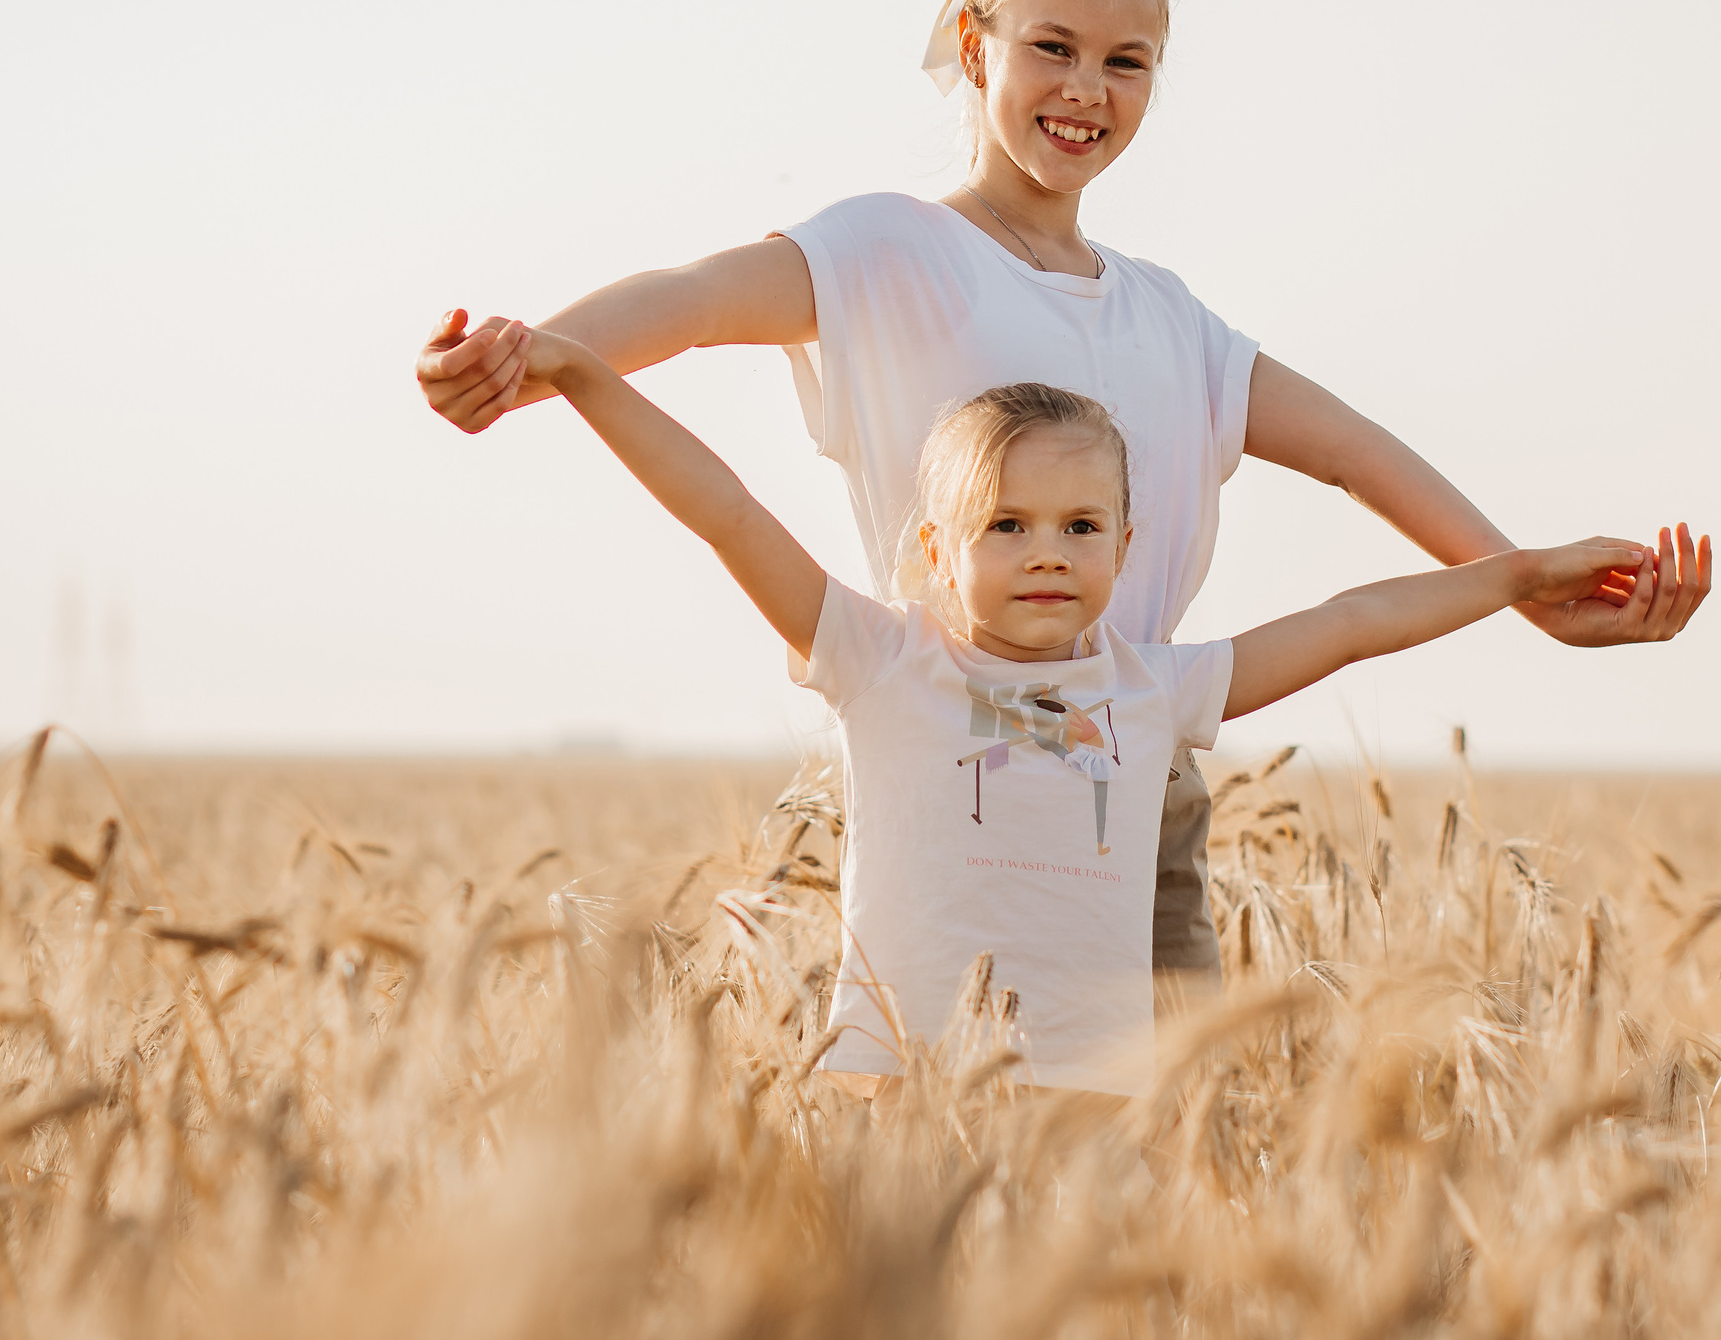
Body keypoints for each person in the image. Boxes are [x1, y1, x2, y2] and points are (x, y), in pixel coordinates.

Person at [414, 0, 1712, 990]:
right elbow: (690, 303)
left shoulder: (1172, 319)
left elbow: (1357, 451)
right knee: (943, 1119)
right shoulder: (890, 250)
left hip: (1141, 780)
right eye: (1052, 45)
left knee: (1159, 1135)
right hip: (956, 768)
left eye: (1127, 58)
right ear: (974, 48)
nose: (1087, 88)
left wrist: (1525, 586)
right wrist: (530, 361)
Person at [501, 354, 1657, 1096]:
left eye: (1079, 524)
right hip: (892, 1079)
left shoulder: (1152, 691)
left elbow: (1353, 620)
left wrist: (1518, 574)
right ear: (932, 555)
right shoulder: (878, 659)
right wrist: (587, 377)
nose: (1046, 549)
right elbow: (725, 509)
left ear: (1125, 543)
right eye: (1004, 524)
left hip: (1096, 1092)